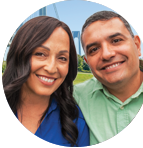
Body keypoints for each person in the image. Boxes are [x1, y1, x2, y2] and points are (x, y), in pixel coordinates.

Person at [2, 16, 89, 147]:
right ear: (19, 54)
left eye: (62, 58)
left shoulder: (76, 122)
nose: (51, 68)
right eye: (40, 54)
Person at [73, 11, 143, 145]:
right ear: (87, 61)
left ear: (137, 46)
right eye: (94, 49)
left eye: (116, 40)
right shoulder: (75, 96)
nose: (107, 54)